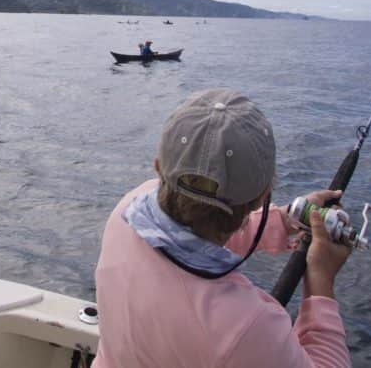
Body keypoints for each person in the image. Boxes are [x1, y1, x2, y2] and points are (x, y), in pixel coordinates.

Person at [92, 88, 352, 367]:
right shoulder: (244, 326)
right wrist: (320, 279)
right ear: (262, 196)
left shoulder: (127, 211)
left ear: (158, 168)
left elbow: (192, 231)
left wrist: (286, 219)